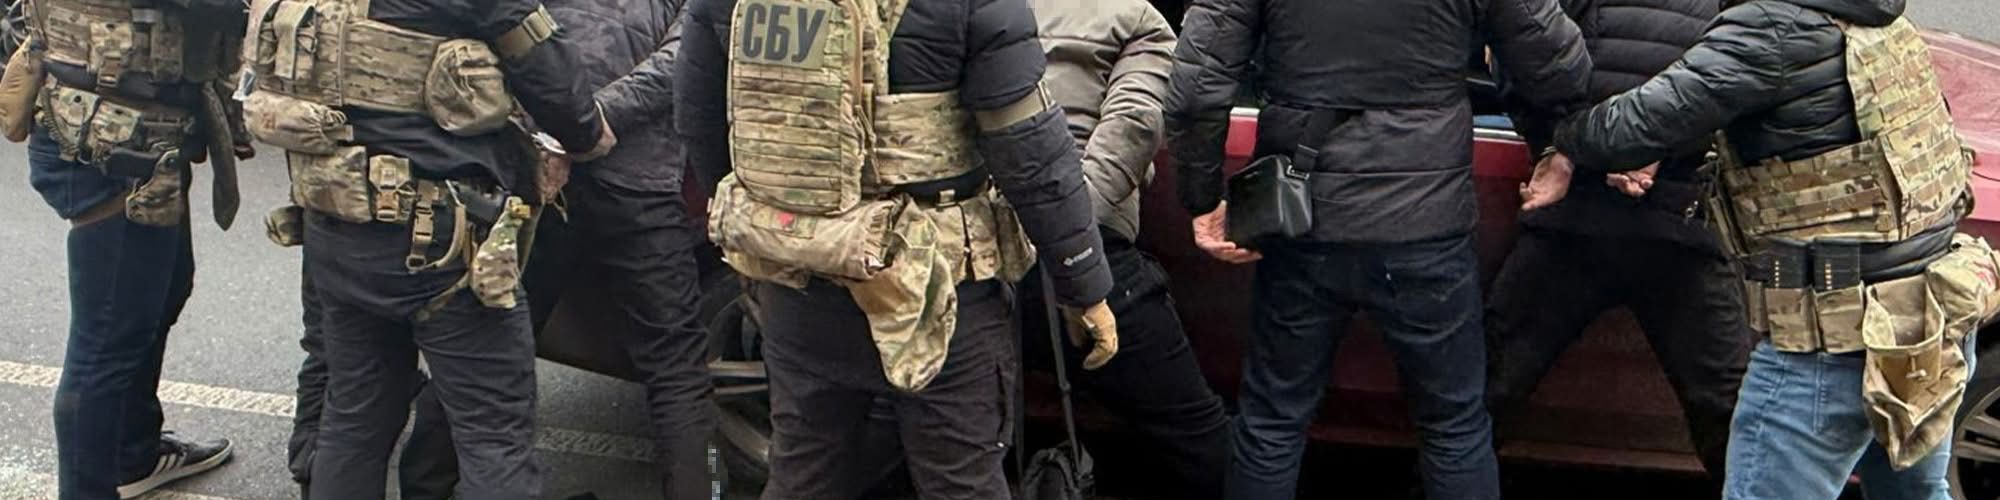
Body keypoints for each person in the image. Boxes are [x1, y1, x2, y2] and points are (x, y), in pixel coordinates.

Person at [1529, 0, 1997, 498]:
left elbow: (1631, 126)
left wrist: (1566, 144)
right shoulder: (1875, 16)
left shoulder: (1770, 26)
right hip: (1924, 318)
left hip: (1832, 336)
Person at [675, 0, 1122, 496]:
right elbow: (1030, 149)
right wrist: (1083, 284)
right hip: (939, 296)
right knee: (960, 482)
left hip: (802, 285)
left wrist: (773, 229)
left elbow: (699, 115)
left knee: (804, 472)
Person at [1162, 0, 1593, 498]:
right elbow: (1561, 65)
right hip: (1427, 224)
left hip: (1304, 221)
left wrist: (1202, 196)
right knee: (1454, 427)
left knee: (1271, 422)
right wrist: (1555, 141)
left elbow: (1195, 91)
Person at [237, 0, 616, 496]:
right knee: (492, 434)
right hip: (443, 246)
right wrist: (586, 134)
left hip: (336, 224)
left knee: (355, 418)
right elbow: (548, 72)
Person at [1482, 0, 1746, 493]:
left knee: (1485, 396)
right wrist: (1654, 146)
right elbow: (1741, 79)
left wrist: (1563, 147)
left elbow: (1523, 59)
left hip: (1581, 218)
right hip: (1673, 221)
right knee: (1731, 417)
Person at [18, 0, 251, 495]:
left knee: (165, 289)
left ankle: (133, 454)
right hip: (114, 138)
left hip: (144, 127)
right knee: (107, 341)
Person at [1013, 0, 1230, 498]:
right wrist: (1066, 234)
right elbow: (1134, 126)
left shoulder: (980, 10)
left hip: (979, 250)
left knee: (959, 438)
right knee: (1195, 433)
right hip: (1087, 254)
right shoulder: (1138, 21)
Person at [521, 0, 720, 497]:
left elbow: (513, 36)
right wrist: (592, 122)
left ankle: (429, 485)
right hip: (639, 184)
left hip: (545, 169)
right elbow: (683, 60)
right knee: (679, 371)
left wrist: (570, 126)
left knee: (491, 347)